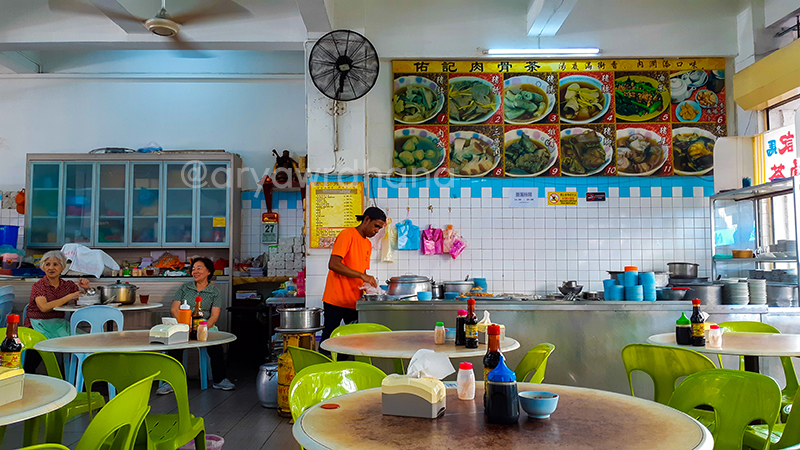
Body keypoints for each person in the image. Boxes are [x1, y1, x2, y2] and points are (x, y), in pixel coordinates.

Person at [157, 257, 235, 394]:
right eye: (193, 269)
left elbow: (214, 316)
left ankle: (220, 379)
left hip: (204, 325)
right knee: (174, 346)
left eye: (199, 268)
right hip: (183, 324)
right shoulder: (184, 288)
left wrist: (203, 328)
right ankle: (171, 382)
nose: (195, 271)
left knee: (216, 345)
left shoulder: (215, 292)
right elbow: (174, 309)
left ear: (208, 272)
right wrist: (184, 326)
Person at [319, 207, 386, 350]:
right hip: (336, 300)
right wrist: (362, 275)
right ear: (366, 219)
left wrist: (369, 287)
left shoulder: (367, 244)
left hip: (354, 301)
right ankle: (324, 362)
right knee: (329, 340)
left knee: (353, 341)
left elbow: (361, 271)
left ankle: (345, 362)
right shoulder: (347, 235)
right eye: (376, 226)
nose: (377, 231)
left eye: (379, 228)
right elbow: (333, 264)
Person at [23, 250, 91, 373]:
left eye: (55, 264)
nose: (51, 268)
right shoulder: (39, 286)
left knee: (86, 341)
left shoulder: (68, 285)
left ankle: (76, 376)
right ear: (43, 267)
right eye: (47, 264)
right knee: (35, 353)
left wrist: (86, 289)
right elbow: (44, 307)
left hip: (58, 324)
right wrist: (68, 297)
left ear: (62, 267)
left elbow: (83, 300)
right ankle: (27, 377)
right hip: (37, 324)